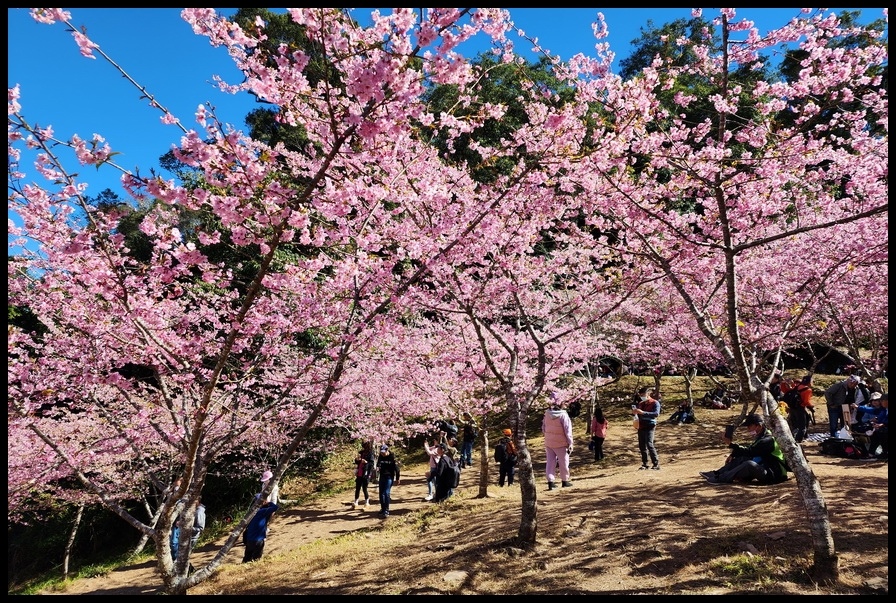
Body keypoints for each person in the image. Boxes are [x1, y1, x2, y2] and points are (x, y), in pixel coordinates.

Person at [699, 414, 789, 485]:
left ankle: (723, 478)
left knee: (748, 464)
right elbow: (751, 448)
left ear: (759, 426)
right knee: (741, 458)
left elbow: (750, 451)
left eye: (749, 426)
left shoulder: (767, 439)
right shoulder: (762, 436)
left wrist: (730, 444)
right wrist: (733, 454)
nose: (748, 429)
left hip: (775, 475)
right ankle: (717, 474)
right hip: (765, 467)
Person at [542, 391, 574, 489]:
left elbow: (543, 427)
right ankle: (564, 480)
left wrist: (548, 436)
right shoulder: (563, 415)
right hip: (561, 443)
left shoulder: (547, 414)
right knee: (563, 462)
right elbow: (568, 431)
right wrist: (570, 443)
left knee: (550, 462)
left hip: (549, 442)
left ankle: (550, 482)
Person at [633, 386, 661, 470]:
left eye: (643, 394)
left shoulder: (655, 403)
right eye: (640, 395)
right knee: (642, 446)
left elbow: (656, 414)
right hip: (641, 425)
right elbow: (638, 414)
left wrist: (643, 413)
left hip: (650, 425)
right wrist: (635, 413)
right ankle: (645, 463)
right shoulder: (641, 404)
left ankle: (655, 463)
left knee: (649, 444)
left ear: (648, 394)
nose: (642, 396)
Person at [781, 374, 814, 442]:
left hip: (792, 408)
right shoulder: (808, 390)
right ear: (809, 382)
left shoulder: (797, 386)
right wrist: (811, 406)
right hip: (800, 408)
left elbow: (786, 391)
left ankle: (792, 437)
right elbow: (806, 401)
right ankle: (798, 440)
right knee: (802, 426)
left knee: (795, 424)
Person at [375, 444, 401, 518]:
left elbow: (397, 469)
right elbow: (378, 464)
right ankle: (382, 509)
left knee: (386, 493)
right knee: (381, 494)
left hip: (389, 477)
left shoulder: (392, 457)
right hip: (382, 476)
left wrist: (397, 478)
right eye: (381, 452)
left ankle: (386, 510)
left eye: (383, 452)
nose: (382, 454)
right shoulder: (380, 456)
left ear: (387, 450)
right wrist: (377, 469)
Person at [864, 393, 888, 460]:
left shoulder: (883, 409)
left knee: (881, 432)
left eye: (882, 400)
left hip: (884, 427)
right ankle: (873, 453)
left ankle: (885, 452)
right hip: (879, 427)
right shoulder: (883, 409)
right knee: (877, 433)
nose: (881, 402)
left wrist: (882, 424)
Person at [352, 441, 375, 509]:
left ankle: (367, 502)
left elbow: (371, 464)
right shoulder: (361, 453)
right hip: (360, 472)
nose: (364, 447)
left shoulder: (371, 454)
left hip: (366, 473)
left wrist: (366, 462)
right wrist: (358, 460)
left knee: (364, 488)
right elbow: (356, 461)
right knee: (357, 488)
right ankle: (356, 502)